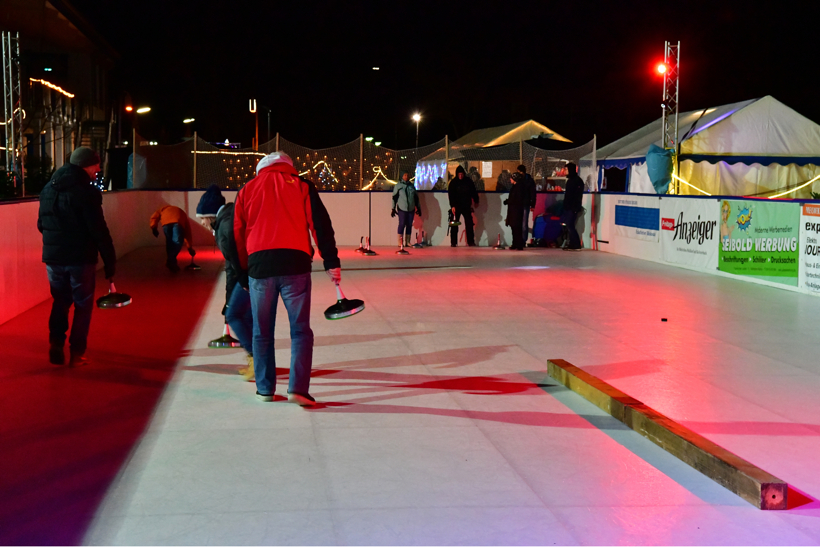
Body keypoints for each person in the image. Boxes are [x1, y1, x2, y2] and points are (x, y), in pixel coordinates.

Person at [234, 151, 341, 405]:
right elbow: (320, 224)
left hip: (259, 267)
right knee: (300, 330)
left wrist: (243, 271)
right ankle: (298, 389)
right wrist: (331, 260)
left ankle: (265, 389)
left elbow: (237, 232)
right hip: (296, 263)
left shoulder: (247, 189)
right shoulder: (302, 185)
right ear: (289, 167)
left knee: (261, 332)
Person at [37, 146, 116, 366]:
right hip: (80, 258)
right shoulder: (87, 191)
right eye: (96, 165)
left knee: (60, 301)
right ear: (86, 165)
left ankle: (56, 343)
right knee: (83, 304)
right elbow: (98, 230)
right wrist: (110, 261)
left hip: (53, 259)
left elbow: (41, 224)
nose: (98, 169)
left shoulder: (47, 189)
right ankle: (77, 352)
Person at [196, 185, 255, 381]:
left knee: (234, 314)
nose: (202, 223)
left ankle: (257, 360)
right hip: (252, 272)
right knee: (246, 316)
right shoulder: (228, 218)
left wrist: (236, 291)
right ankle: (259, 360)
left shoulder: (225, 226)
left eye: (202, 218)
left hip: (250, 274)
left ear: (210, 215)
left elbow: (234, 264)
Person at [149, 205, 195, 272]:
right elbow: (187, 232)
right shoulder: (182, 214)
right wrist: (189, 247)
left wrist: (154, 227)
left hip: (165, 222)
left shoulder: (162, 209)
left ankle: (172, 263)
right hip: (178, 221)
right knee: (177, 242)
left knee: (169, 243)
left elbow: (154, 217)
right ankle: (170, 261)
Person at [448, 165, 479, 247]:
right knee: (454, 225)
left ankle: (470, 242)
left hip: (466, 206)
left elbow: (473, 191)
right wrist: (453, 206)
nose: (460, 176)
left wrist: (476, 200)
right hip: (456, 207)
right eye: (459, 174)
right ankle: (453, 242)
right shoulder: (453, 183)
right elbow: (451, 195)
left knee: (469, 224)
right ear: (457, 174)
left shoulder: (468, 182)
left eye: (462, 174)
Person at [391, 172, 421, 248]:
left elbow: (416, 198)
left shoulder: (412, 186)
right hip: (402, 208)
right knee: (401, 224)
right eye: (404, 175)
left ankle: (407, 242)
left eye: (407, 175)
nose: (406, 176)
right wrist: (393, 208)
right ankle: (400, 242)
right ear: (402, 176)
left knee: (409, 225)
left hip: (411, 209)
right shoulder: (398, 186)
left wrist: (418, 208)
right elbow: (394, 198)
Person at [562, 162, 585, 251]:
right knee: (569, 225)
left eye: (566, 169)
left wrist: (575, 207)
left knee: (570, 225)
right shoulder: (571, 181)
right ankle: (572, 243)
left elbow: (577, 196)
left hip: (572, 207)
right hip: (569, 207)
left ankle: (576, 243)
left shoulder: (576, 181)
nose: (564, 171)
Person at [505, 171, 527, 250]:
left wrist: (508, 201)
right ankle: (515, 243)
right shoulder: (516, 187)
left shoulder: (519, 187)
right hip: (514, 209)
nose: (510, 179)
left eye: (511, 178)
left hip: (516, 210)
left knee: (516, 227)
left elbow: (517, 199)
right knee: (514, 227)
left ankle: (518, 244)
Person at [516, 165, 537, 246]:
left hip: (524, 203)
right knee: (522, 223)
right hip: (523, 203)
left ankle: (522, 240)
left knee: (523, 223)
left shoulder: (528, 181)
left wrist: (532, 204)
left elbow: (533, 193)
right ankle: (521, 240)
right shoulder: (528, 180)